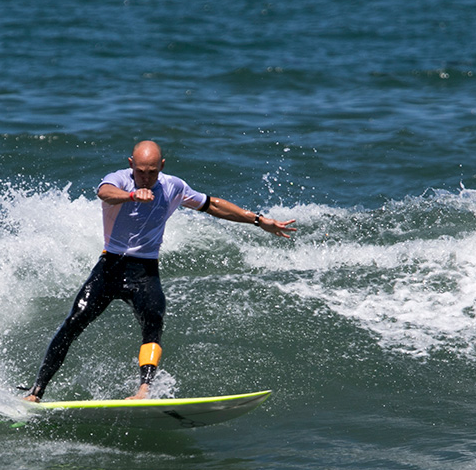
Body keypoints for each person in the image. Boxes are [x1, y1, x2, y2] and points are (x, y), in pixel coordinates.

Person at [23, 140, 297, 402]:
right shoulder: (119, 179)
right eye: (140, 172)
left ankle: (144, 389)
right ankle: (36, 391)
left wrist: (259, 221)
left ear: (162, 166)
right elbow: (103, 193)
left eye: (152, 172)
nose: (145, 178)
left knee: (153, 324)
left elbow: (212, 204)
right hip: (110, 267)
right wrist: (132, 195)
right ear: (131, 164)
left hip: (145, 270)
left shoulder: (173, 187)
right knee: (73, 322)